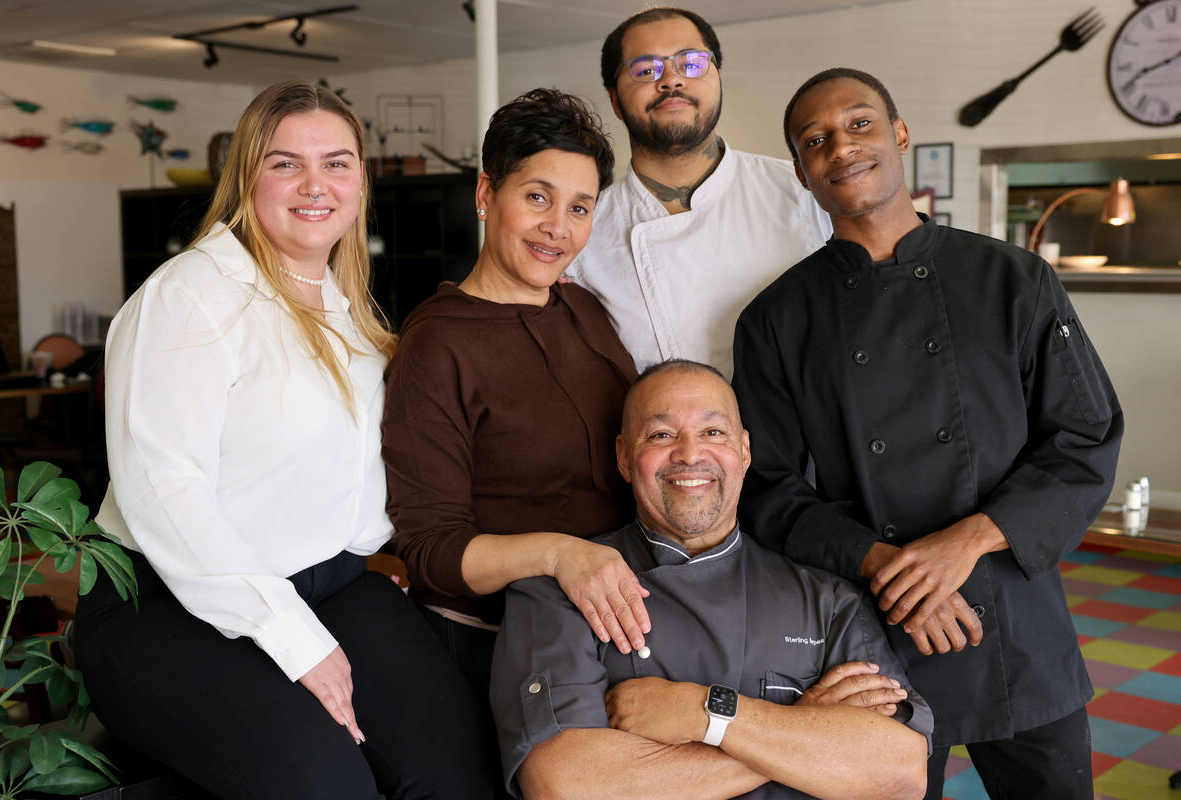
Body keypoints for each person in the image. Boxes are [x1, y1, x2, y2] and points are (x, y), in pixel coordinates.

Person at [74, 80, 493, 799]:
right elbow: (164, 490)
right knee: (330, 787)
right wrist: (294, 641)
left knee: (458, 775)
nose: (314, 185)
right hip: (168, 607)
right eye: (285, 163)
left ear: (361, 179)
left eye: (336, 162)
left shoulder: (351, 314)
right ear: (247, 177)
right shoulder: (190, 297)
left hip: (332, 591)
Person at [734, 68, 1123, 800]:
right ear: (801, 171)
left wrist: (966, 542)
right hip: (877, 629)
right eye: (816, 141)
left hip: (1015, 618)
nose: (841, 148)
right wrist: (892, 565)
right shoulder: (778, 319)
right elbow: (767, 489)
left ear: (899, 134)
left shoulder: (1015, 280)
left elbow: (1084, 438)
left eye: (859, 124)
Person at [491, 360, 932, 800]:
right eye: (661, 435)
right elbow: (565, 787)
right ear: (624, 457)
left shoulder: (828, 599)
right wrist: (802, 725)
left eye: (713, 433)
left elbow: (900, 774)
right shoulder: (559, 589)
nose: (688, 453)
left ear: (744, 451)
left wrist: (704, 714)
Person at [382, 88, 647, 720]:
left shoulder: (582, 307)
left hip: (609, 628)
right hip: (497, 649)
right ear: (484, 196)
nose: (559, 226)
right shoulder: (437, 343)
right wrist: (559, 553)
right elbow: (429, 548)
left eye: (580, 207)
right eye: (537, 197)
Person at [565, 7, 831, 377]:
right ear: (614, 100)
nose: (671, 80)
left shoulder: (806, 193)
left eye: (691, 63)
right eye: (645, 70)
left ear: (717, 77)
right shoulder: (584, 234)